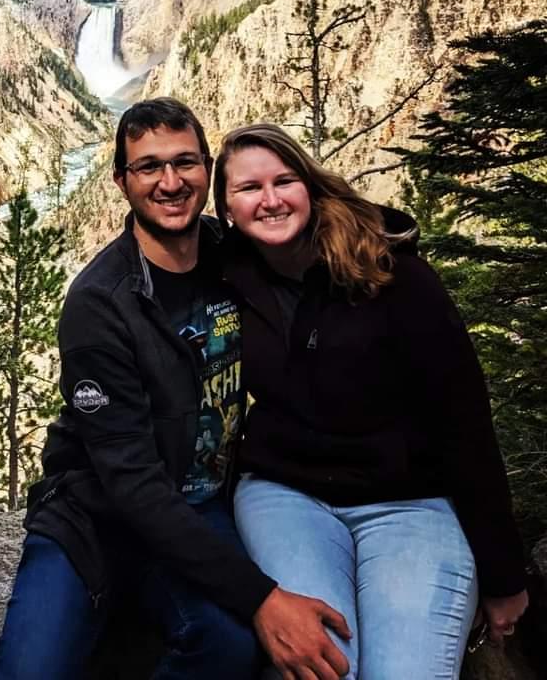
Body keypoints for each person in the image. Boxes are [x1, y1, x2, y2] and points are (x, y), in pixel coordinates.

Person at [0, 99, 352, 680]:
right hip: (96, 514)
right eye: (149, 167)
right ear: (121, 180)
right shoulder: (99, 305)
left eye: (185, 163)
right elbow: (130, 481)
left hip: (199, 504)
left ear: (208, 171)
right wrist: (261, 596)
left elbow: (317, 236)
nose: (170, 182)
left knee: (227, 647)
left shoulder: (232, 254)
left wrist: (394, 242)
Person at [213, 122, 529, 680]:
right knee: (326, 668)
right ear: (227, 208)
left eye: (284, 180)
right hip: (286, 494)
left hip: (409, 501)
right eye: (248, 188)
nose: (269, 200)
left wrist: (504, 577)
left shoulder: (389, 271)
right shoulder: (224, 272)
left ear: (309, 186)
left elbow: (464, 420)